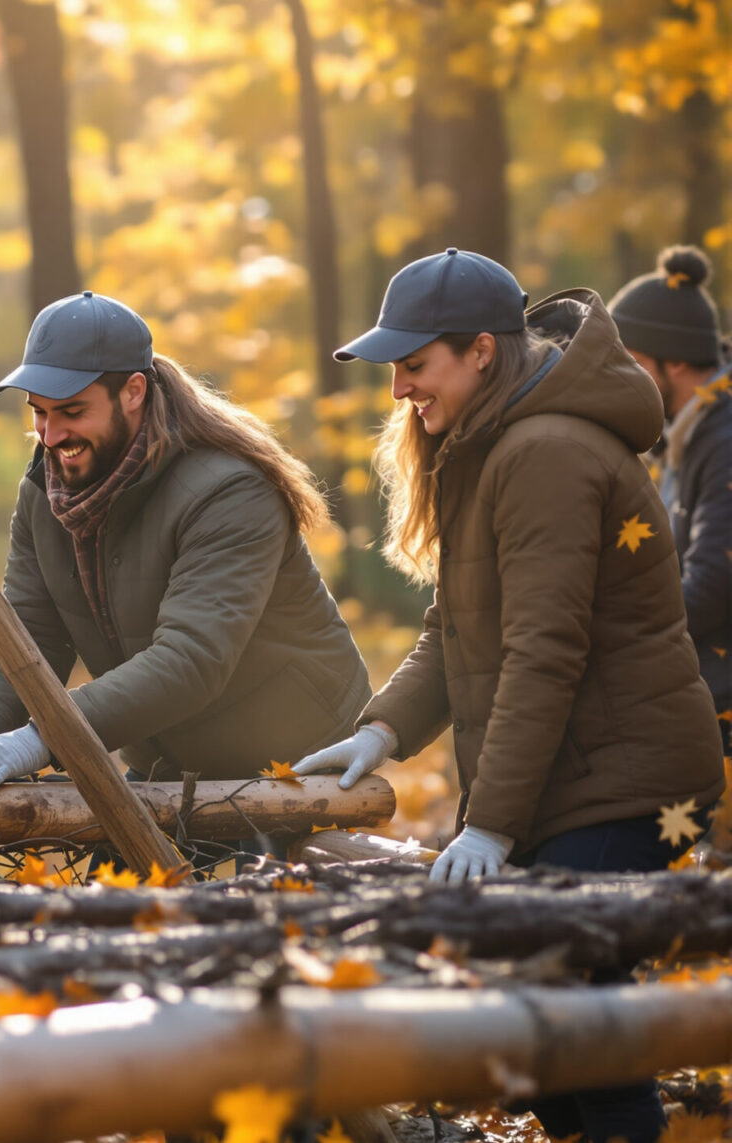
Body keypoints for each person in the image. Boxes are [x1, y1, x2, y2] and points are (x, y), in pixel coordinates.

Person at [301, 248, 725, 1143]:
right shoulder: (489, 442)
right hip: (572, 774)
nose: (398, 389)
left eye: (415, 364)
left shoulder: (545, 452)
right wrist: (381, 731)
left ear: (482, 351)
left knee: (578, 1010)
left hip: (626, 781)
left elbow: (542, 653)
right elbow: (453, 628)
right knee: (541, 1029)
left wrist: (489, 825)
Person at [0, 291, 370, 796]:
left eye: (71, 411)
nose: (50, 436)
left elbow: (191, 659)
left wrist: (42, 738)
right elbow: (29, 630)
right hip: (164, 757)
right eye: (39, 413)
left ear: (133, 391)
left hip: (294, 756)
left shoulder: (229, 492)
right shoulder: (46, 493)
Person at [613, 246, 732, 738]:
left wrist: (610, 629)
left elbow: (713, 582)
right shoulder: (682, 436)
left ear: (676, 360)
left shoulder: (724, 440)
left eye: (633, 362)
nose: (622, 378)